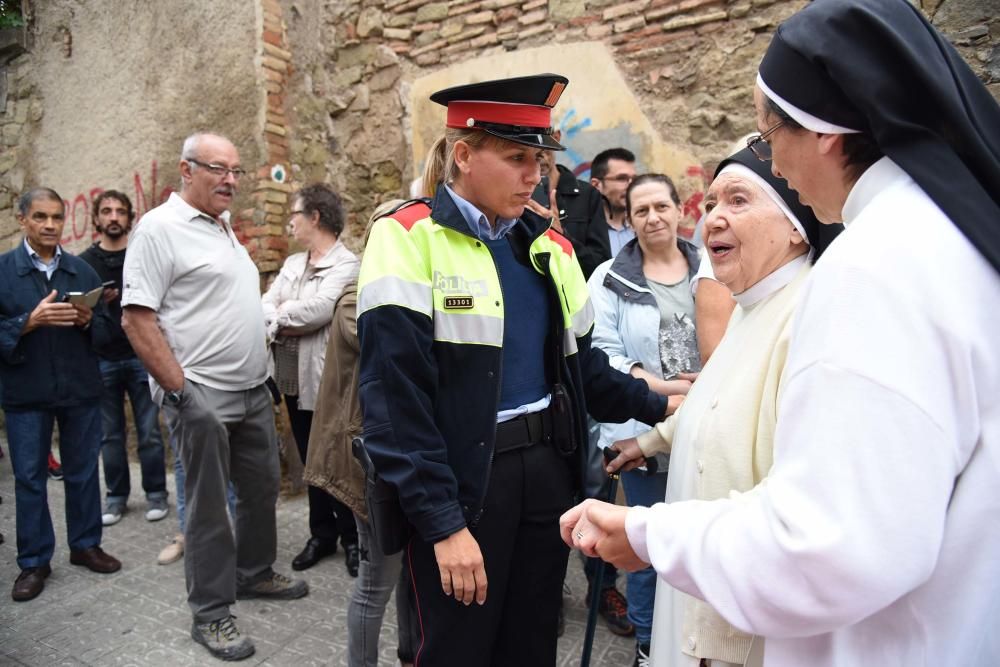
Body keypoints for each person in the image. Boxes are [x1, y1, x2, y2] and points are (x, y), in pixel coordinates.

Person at [560, 1, 1000, 665]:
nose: (778, 162)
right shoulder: (940, 238)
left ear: (825, 131)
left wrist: (652, 534)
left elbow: (830, 546)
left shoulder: (874, 263)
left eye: (771, 136)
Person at [357, 73, 672, 665]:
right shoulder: (406, 238)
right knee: (456, 649)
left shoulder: (549, 245)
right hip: (464, 483)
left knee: (531, 644)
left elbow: (589, 373)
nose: (535, 174)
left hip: (546, 476)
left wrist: (666, 404)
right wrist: (444, 527)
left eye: (540, 159)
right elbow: (395, 407)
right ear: (464, 155)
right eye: (517, 157)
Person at [602, 148, 840, 666]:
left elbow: (799, 507)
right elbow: (712, 404)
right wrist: (645, 443)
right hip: (699, 578)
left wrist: (647, 535)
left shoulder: (808, 320)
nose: (714, 216)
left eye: (738, 199)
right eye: (710, 202)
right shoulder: (749, 307)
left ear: (797, 227)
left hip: (742, 618)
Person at [122, 132, 307, 661]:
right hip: (201, 393)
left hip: (251, 390)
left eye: (235, 170)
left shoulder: (222, 226)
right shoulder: (159, 229)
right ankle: (211, 614)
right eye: (217, 169)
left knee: (261, 488)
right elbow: (137, 319)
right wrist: (182, 394)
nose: (230, 179)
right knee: (206, 509)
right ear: (185, 170)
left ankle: (252, 575)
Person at [588, 173, 701, 665]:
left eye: (661, 206)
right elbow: (606, 358)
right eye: (641, 211)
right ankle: (649, 646)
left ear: (679, 210)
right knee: (645, 550)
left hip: (702, 433)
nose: (653, 218)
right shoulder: (610, 278)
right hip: (642, 433)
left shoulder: (713, 267)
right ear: (629, 220)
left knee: (698, 541)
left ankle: (693, 645)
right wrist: (674, 392)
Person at [304, 198, 418, 667]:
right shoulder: (358, 298)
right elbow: (396, 348)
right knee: (377, 583)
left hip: (403, 457)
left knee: (412, 576)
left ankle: (413, 656)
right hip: (368, 460)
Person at [0, 188, 122, 603]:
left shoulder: (81, 272)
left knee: (83, 471)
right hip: (25, 393)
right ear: (23, 220)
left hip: (79, 389)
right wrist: (26, 323)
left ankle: (85, 545)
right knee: (30, 478)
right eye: (40, 217)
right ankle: (34, 562)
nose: (50, 225)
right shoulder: (3, 271)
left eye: (56, 217)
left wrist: (89, 321)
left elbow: (107, 334)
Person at [261, 183, 361, 576]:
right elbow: (266, 302)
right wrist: (283, 313)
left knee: (335, 458)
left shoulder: (346, 264)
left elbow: (319, 311)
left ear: (315, 217)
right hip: (291, 378)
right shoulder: (292, 265)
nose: (290, 221)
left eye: (295, 214)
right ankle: (321, 534)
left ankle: (352, 538)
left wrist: (281, 316)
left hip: (325, 380)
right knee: (308, 458)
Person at [79, 190, 169, 526]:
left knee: (149, 431)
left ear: (130, 217)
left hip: (140, 355)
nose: (113, 217)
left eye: (120, 211)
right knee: (110, 434)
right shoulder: (84, 262)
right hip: (101, 357)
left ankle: (156, 494)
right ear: (97, 218)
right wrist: (97, 304)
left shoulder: (140, 253)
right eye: (106, 211)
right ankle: (116, 498)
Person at [537, 132, 611, 279]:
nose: (539, 155)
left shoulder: (588, 195)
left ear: (556, 137)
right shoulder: (512, 197)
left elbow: (601, 267)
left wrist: (561, 236)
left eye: (542, 141)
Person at [590, 147, 638, 256]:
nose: (631, 185)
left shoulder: (642, 227)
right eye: (621, 178)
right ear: (596, 185)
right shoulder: (584, 231)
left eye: (634, 179)